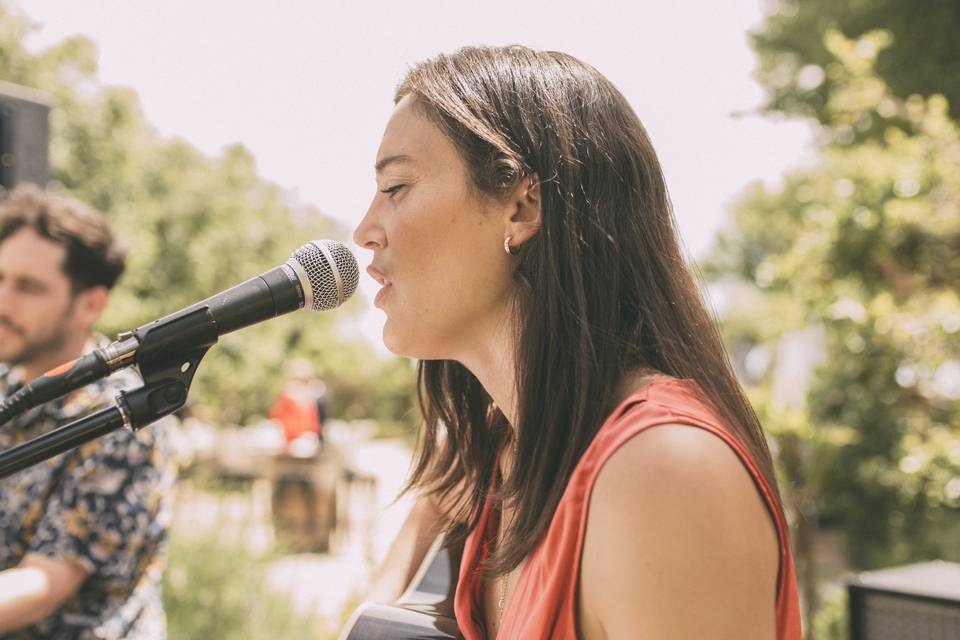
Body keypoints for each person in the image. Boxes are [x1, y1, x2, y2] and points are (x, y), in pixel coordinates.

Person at [353, 46, 802, 639]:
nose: (364, 231)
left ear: (521, 206)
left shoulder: (662, 471)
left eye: (396, 186)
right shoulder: (502, 452)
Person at [0, 185, 175, 639]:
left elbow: (44, 583)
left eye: (28, 287)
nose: (3, 302)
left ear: (90, 304)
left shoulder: (122, 417)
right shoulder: (6, 385)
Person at [269, 357, 327, 447]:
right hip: (293, 439)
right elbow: (276, 416)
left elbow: (311, 423)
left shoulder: (306, 396)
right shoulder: (288, 395)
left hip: (302, 439)